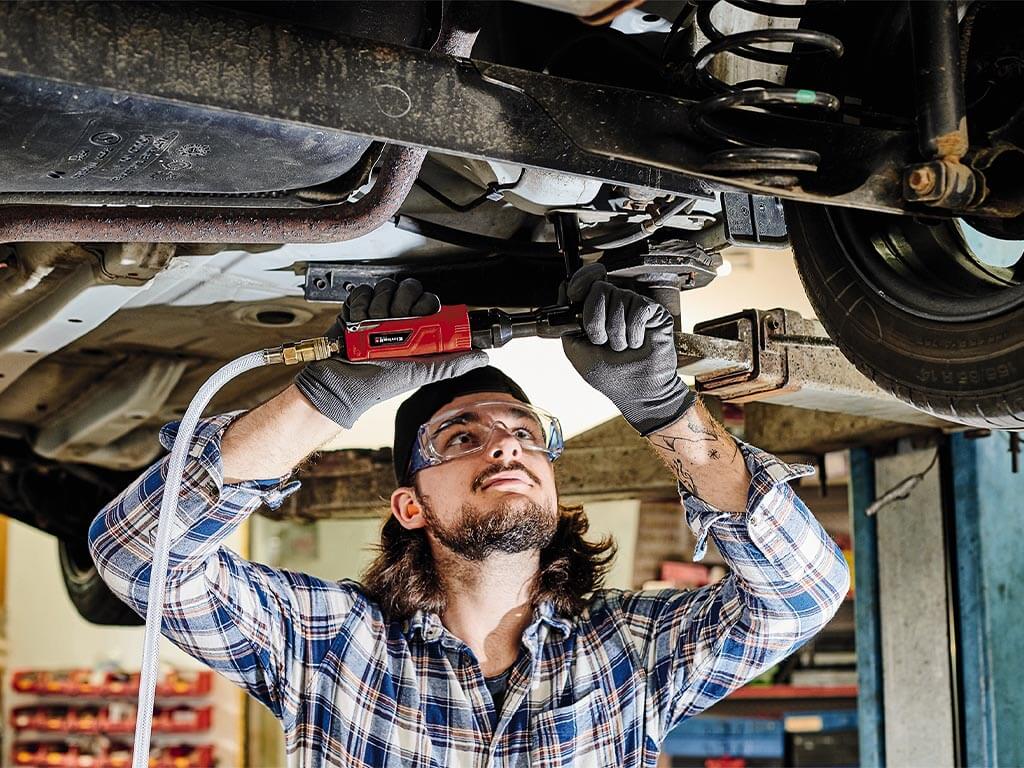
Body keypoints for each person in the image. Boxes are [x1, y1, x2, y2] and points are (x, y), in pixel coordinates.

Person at [90, 265, 849, 767]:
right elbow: (136, 558)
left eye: (525, 433)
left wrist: (661, 406)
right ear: (410, 505)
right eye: (463, 436)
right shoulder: (328, 644)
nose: (505, 446)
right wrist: (330, 395)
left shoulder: (633, 654)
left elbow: (803, 593)